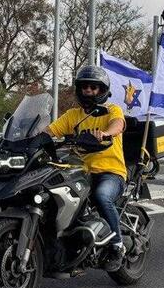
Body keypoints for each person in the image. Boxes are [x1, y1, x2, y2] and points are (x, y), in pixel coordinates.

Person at [47, 65, 128, 271]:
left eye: (94, 88)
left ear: (102, 91)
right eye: (85, 87)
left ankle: (117, 245)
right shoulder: (73, 115)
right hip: (82, 171)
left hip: (111, 172)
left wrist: (106, 133)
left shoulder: (111, 110)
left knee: (101, 196)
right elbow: (50, 130)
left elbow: (118, 124)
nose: (89, 91)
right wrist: (30, 138)